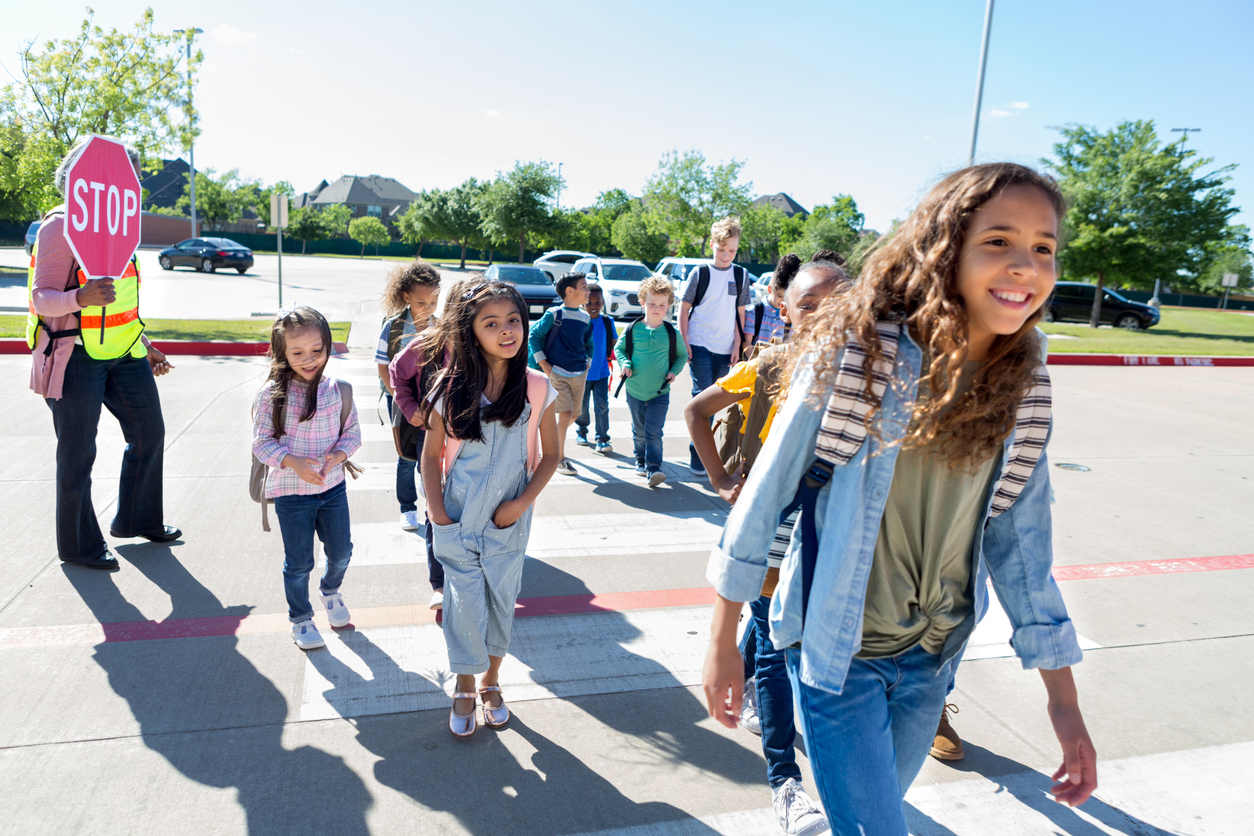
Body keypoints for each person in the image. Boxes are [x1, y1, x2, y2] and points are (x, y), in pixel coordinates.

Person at [702, 163, 1098, 834]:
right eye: (998, 241)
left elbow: (1020, 543)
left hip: (932, 661)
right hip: (837, 653)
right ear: (946, 249)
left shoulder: (1025, 382)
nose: (1024, 265)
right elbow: (764, 496)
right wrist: (722, 640)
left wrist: (1063, 703)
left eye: (1043, 248)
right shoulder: (863, 352)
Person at [686, 260, 848, 836]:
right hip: (771, 532)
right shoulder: (771, 369)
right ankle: (785, 782)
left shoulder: (868, 377)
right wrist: (722, 481)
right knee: (776, 645)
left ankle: (751, 674)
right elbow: (696, 411)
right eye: (808, 305)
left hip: (831, 539)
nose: (825, 316)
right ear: (785, 310)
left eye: (838, 301)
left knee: (770, 630)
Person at [28, 138, 179, 572]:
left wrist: (147, 346)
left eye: (131, 172)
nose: (127, 179)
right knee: (77, 453)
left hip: (124, 352)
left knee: (149, 433)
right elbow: (42, 298)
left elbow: (122, 302)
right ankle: (78, 545)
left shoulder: (119, 227)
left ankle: (138, 519)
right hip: (74, 357)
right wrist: (81, 296)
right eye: (119, 170)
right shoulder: (60, 227)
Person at [421, 279, 559, 737]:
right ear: (470, 332)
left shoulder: (538, 387)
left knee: (501, 602)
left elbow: (552, 455)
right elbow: (430, 453)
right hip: (458, 514)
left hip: (509, 520)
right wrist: (439, 514)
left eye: (513, 321)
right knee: (463, 606)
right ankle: (463, 684)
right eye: (491, 323)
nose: (506, 331)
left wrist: (520, 504)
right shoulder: (450, 387)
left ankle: (492, 681)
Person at [252, 307, 362, 651]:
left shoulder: (338, 390)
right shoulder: (272, 395)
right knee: (299, 562)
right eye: (297, 353)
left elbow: (353, 434)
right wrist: (293, 462)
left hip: (332, 489)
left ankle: (330, 591)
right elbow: (261, 443)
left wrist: (339, 456)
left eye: (317, 350)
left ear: (328, 345)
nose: (309, 359)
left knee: (342, 552)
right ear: (281, 353)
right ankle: (300, 618)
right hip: (291, 493)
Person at [679, 217, 753, 476]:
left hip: (726, 347)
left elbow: (740, 313)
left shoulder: (741, 275)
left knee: (716, 402)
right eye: (722, 249)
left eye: (732, 251)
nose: (726, 255)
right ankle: (698, 455)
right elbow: (684, 308)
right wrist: (685, 341)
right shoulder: (700, 273)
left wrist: (740, 343)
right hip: (699, 343)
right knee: (701, 395)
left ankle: (705, 451)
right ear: (712, 244)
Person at [375, 260, 441, 532]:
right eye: (421, 302)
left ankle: (432, 506)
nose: (428, 309)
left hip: (431, 403)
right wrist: (401, 401)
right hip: (400, 401)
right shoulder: (393, 327)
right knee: (406, 457)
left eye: (434, 302)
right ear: (406, 297)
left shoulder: (439, 326)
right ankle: (407, 507)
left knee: (430, 455)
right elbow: (382, 365)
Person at [389, 328, 446, 611]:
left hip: (476, 437)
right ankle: (441, 585)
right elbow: (396, 370)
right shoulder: (429, 343)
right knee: (436, 508)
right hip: (431, 434)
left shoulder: (486, 338)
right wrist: (408, 405)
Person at [614, 276, 687, 488]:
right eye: (652, 304)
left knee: (654, 431)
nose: (657, 308)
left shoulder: (672, 333)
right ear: (642, 303)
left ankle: (654, 467)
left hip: (660, 392)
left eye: (662, 305)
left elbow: (682, 356)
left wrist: (674, 371)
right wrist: (625, 363)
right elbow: (619, 349)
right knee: (639, 430)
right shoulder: (632, 330)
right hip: (634, 389)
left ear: (669, 305)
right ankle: (640, 458)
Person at [528, 272, 593, 477]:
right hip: (557, 372)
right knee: (564, 414)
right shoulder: (555, 314)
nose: (588, 291)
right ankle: (558, 458)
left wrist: (588, 363)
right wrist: (545, 365)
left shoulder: (585, 317)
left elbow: (589, 343)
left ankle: (551, 443)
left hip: (579, 372)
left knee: (574, 414)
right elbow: (534, 336)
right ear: (569, 291)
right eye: (584, 287)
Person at [574, 282, 616, 454]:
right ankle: (582, 432)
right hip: (582, 374)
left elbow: (613, 342)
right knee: (582, 406)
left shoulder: (607, 321)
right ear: (583, 302)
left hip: (601, 373)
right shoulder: (578, 321)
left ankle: (602, 438)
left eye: (597, 302)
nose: (593, 306)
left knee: (602, 406)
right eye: (589, 302)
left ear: (602, 303)